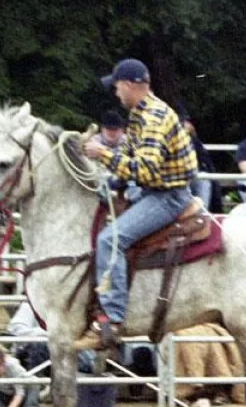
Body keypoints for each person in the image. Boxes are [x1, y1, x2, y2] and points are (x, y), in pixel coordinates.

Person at [79, 58, 197, 350]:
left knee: (110, 240)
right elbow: (131, 157)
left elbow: (145, 170)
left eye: (117, 86)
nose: (116, 93)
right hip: (155, 190)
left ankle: (112, 319)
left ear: (130, 85)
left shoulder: (153, 118)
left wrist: (102, 154)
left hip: (166, 196)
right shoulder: (141, 114)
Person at [178, 107, 223, 214]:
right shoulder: (167, 140)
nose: (186, 125)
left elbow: (207, 166)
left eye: (186, 122)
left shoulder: (195, 142)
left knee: (204, 181)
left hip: (195, 177)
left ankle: (203, 216)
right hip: (176, 180)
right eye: (183, 122)